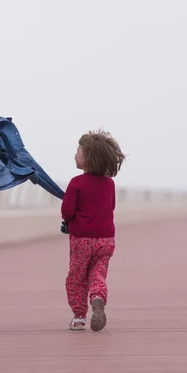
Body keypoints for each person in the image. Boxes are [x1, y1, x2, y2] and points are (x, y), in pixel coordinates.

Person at [61, 129, 125, 332]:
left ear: (88, 159)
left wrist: (69, 222)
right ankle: (97, 297)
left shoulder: (76, 183)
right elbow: (111, 207)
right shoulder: (109, 184)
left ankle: (79, 317)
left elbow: (67, 211)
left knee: (76, 278)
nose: (75, 155)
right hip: (106, 240)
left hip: (82, 240)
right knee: (98, 274)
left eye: (78, 151)